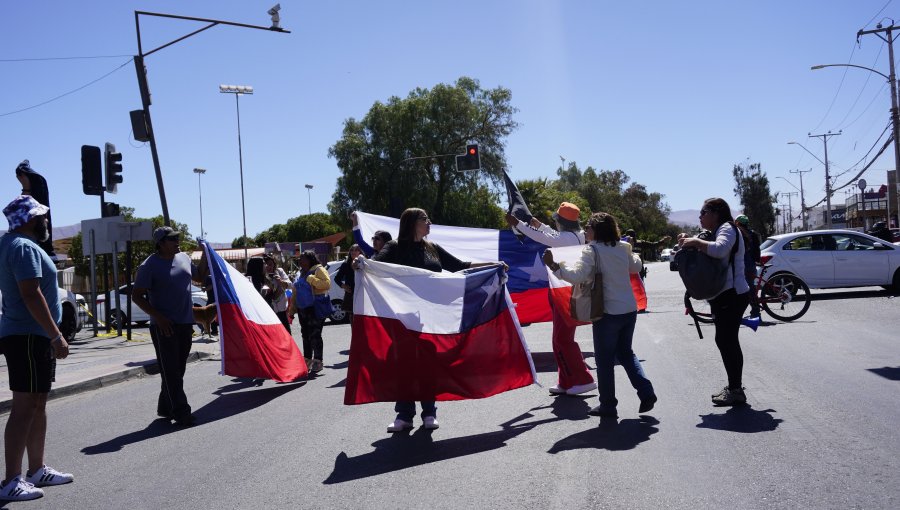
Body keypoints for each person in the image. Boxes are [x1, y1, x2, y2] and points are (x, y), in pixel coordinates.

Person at [373, 207, 505, 433]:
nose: (430, 222)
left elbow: (460, 266)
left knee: (427, 365)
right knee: (404, 366)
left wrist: (493, 265)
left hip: (431, 317)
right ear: (413, 222)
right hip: (404, 317)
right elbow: (376, 265)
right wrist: (360, 264)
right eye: (425, 219)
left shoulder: (432, 248)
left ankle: (429, 413)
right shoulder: (394, 247)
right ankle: (404, 415)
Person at [543, 212, 656, 418]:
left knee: (604, 361)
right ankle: (646, 391)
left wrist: (554, 266)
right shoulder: (623, 248)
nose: (585, 230)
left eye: (588, 227)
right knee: (626, 353)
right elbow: (636, 266)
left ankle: (608, 405)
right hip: (628, 310)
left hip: (607, 313)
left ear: (597, 230)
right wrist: (634, 250)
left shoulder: (591, 250)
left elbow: (576, 276)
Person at [0, 196, 74, 502]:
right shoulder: (22, 247)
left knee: (37, 402)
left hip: (33, 336)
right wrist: (56, 335)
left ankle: (36, 469)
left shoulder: (16, 244)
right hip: (28, 336)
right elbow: (30, 295)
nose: (46, 221)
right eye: (42, 216)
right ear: (31, 219)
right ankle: (10, 481)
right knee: (24, 406)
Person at [505, 202, 597, 396]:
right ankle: (565, 381)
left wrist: (519, 224)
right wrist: (538, 225)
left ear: (561, 221)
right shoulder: (578, 235)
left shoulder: (566, 238)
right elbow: (552, 235)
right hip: (568, 290)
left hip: (565, 291)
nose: (554, 224)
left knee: (563, 339)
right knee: (559, 339)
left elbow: (546, 238)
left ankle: (583, 379)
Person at [678, 198, 750, 406]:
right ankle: (734, 388)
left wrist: (696, 242)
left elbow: (720, 250)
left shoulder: (727, 228)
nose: (700, 217)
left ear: (716, 213)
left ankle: (736, 390)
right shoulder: (720, 229)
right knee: (726, 341)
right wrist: (691, 239)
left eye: (703, 212)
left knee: (727, 341)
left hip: (732, 294)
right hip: (725, 295)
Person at [132, 226, 207, 426]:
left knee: (178, 368)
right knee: (171, 370)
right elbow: (137, 296)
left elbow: (199, 275)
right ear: (161, 243)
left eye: (177, 238)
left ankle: (165, 406)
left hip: (185, 322)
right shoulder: (148, 265)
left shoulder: (184, 257)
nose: (177, 242)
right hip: (164, 327)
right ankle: (181, 412)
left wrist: (205, 254)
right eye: (172, 239)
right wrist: (159, 317)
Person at [291, 250, 330, 374]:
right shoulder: (301, 272)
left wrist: (312, 279)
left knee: (315, 335)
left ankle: (318, 361)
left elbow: (327, 284)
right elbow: (296, 292)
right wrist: (292, 310)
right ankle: (307, 360)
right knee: (305, 335)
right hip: (303, 309)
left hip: (315, 307)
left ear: (310, 259)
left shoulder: (318, 270)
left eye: (303, 258)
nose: (300, 261)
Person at [735, 215, 761, 317]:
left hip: (745, 264)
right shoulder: (752, 233)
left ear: (737, 223)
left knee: (749, 288)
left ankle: (755, 311)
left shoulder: (740, 234)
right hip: (751, 264)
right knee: (749, 287)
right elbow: (757, 249)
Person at [333, 244, 364, 324]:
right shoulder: (345, 264)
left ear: (360, 252)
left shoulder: (364, 263)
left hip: (362, 294)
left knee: (363, 318)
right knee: (353, 318)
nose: (353, 252)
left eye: (356, 250)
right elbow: (337, 279)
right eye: (352, 250)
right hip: (351, 294)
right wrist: (344, 286)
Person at [264, 255, 292, 334]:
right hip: (270, 311)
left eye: (270, 264)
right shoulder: (262, 276)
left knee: (286, 333)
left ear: (274, 264)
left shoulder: (279, 271)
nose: (268, 267)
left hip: (282, 309)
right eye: (266, 264)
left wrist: (281, 281)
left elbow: (290, 285)